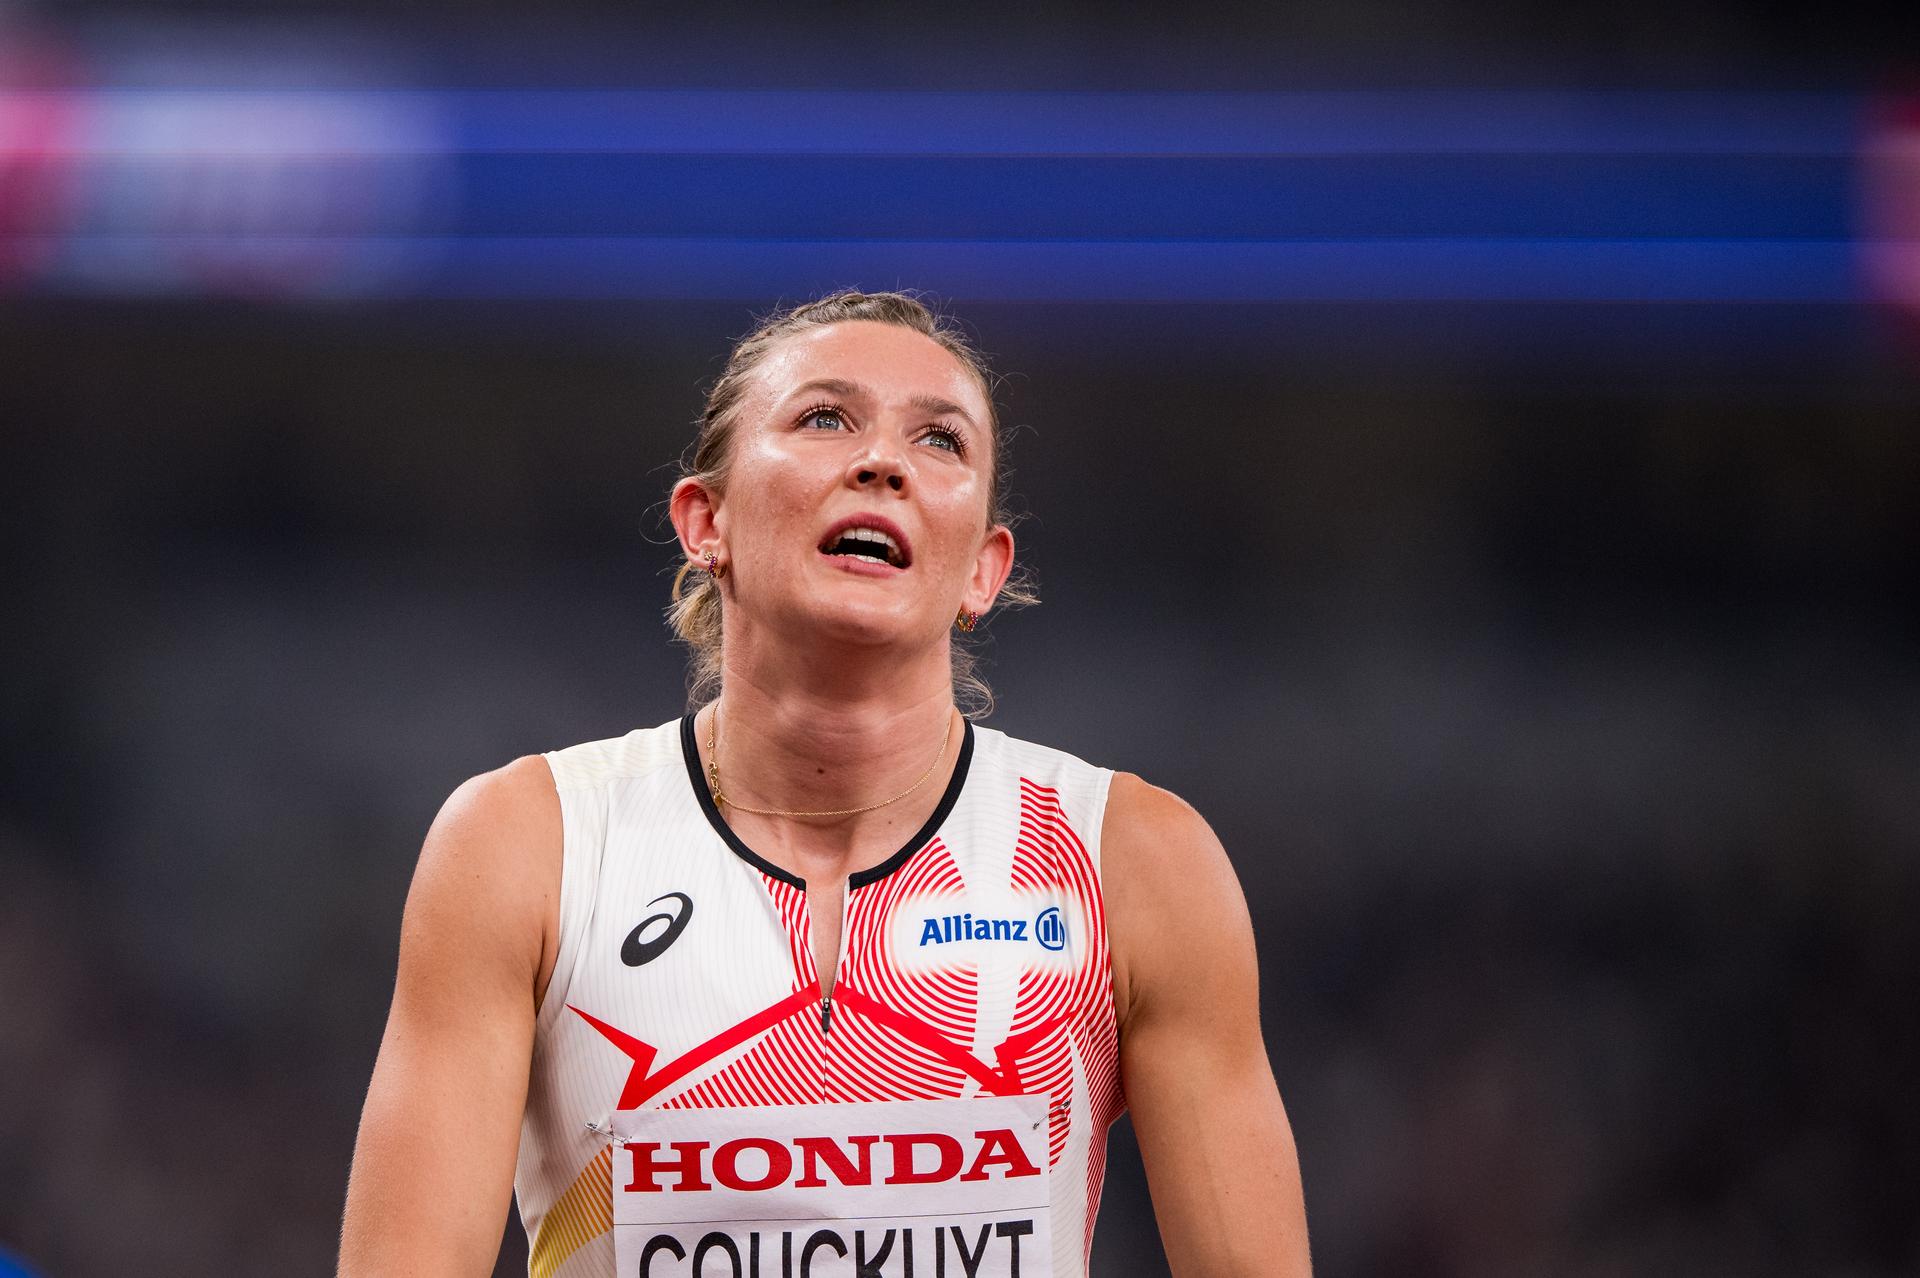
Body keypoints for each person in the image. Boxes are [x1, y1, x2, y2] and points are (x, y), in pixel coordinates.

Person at [338, 291, 1310, 1277]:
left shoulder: (1133, 859)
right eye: (824, 418)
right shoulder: (529, 845)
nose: (883, 461)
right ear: (704, 520)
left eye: (940, 440)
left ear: (983, 568)